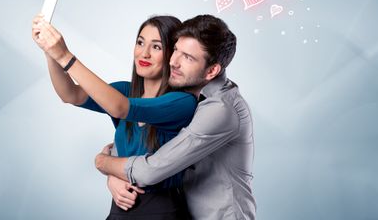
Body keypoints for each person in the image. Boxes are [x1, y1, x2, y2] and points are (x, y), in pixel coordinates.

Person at [31, 14, 200, 219]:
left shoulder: (181, 102)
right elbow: (71, 94)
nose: (144, 53)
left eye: (156, 47)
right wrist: (50, 52)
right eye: (140, 42)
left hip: (161, 210)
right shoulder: (124, 91)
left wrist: (65, 56)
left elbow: (120, 108)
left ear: (172, 55)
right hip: (120, 209)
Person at [95, 15, 257, 220]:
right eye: (175, 50)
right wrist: (113, 175)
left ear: (212, 70)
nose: (174, 62)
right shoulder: (183, 92)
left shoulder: (220, 109)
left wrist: (103, 163)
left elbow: (150, 171)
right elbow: (141, 145)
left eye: (188, 57)